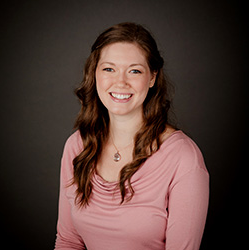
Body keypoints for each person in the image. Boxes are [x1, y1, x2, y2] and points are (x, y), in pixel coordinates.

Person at [54, 22, 209, 250]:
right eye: (109, 69)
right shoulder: (77, 146)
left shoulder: (184, 158)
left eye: (134, 71)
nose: (121, 82)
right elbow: (68, 241)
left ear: (153, 77)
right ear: (94, 73)